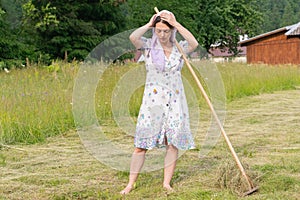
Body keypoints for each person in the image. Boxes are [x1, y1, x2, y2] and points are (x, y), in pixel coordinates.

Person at [120, 10, 198, 195]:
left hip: (175, 101)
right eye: (158, 31)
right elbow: (133, 37)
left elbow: (194, 43)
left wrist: (176, 23)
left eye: (165, 31)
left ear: (172, 31)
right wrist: (149, 24)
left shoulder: (180, 48)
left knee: (172, 144)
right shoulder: (148, 46)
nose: (162, 35)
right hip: (152, 103)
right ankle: (131, 184)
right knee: (141, 146)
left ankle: (166, 183)